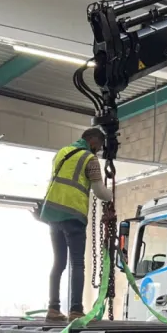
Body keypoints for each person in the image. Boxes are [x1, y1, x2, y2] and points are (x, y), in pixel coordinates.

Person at [40, 128, 113, 323]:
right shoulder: (90, 159)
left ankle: (53, 309)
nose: (97, 150)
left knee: (58, 263)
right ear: (92, 141)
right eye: (98, 146)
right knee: (77, 263)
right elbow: (99, 191)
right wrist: (110, 196)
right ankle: (75, 310)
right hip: (73, 215)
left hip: (54, 215)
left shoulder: (61, 153)